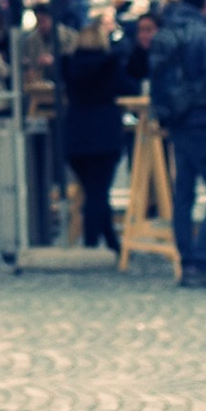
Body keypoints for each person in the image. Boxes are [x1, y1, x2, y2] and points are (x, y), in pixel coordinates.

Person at [149, 0, 206, 286]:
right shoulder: (201, 34)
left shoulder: (165, 31)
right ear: (204, 0)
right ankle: (199, 260)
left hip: (176, 120)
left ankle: (186, 261)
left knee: (183, 193)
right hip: (202, 119)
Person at [56, 19, 129, 250]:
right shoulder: (110, 64)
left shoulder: (68, 65)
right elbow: (129, 87)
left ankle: (112, 242)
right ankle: (91, 243)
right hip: (103, 133)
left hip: (75, 133)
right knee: (98, 192)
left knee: (94, 191)